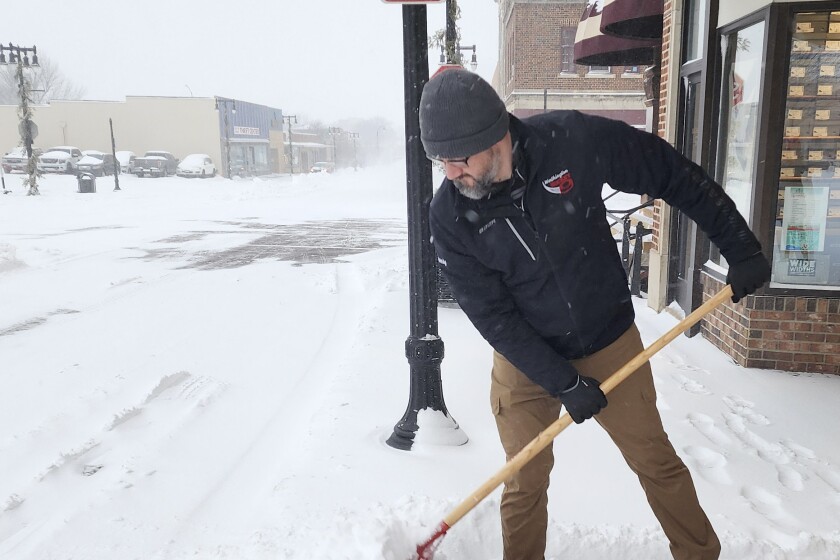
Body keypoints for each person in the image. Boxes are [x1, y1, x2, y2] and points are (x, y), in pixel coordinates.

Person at [420, 68, 771, 560]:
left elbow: (670, 172)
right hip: (525, 358)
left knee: (656, 461)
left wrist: (739, 244)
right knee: (524, 479)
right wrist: (561, 382)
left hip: (607, 340)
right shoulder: (451, 216)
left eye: (457, 160)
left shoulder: (570, 142)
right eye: (440, 162)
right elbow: (492, 316)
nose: (450, 174)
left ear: (492, 137)